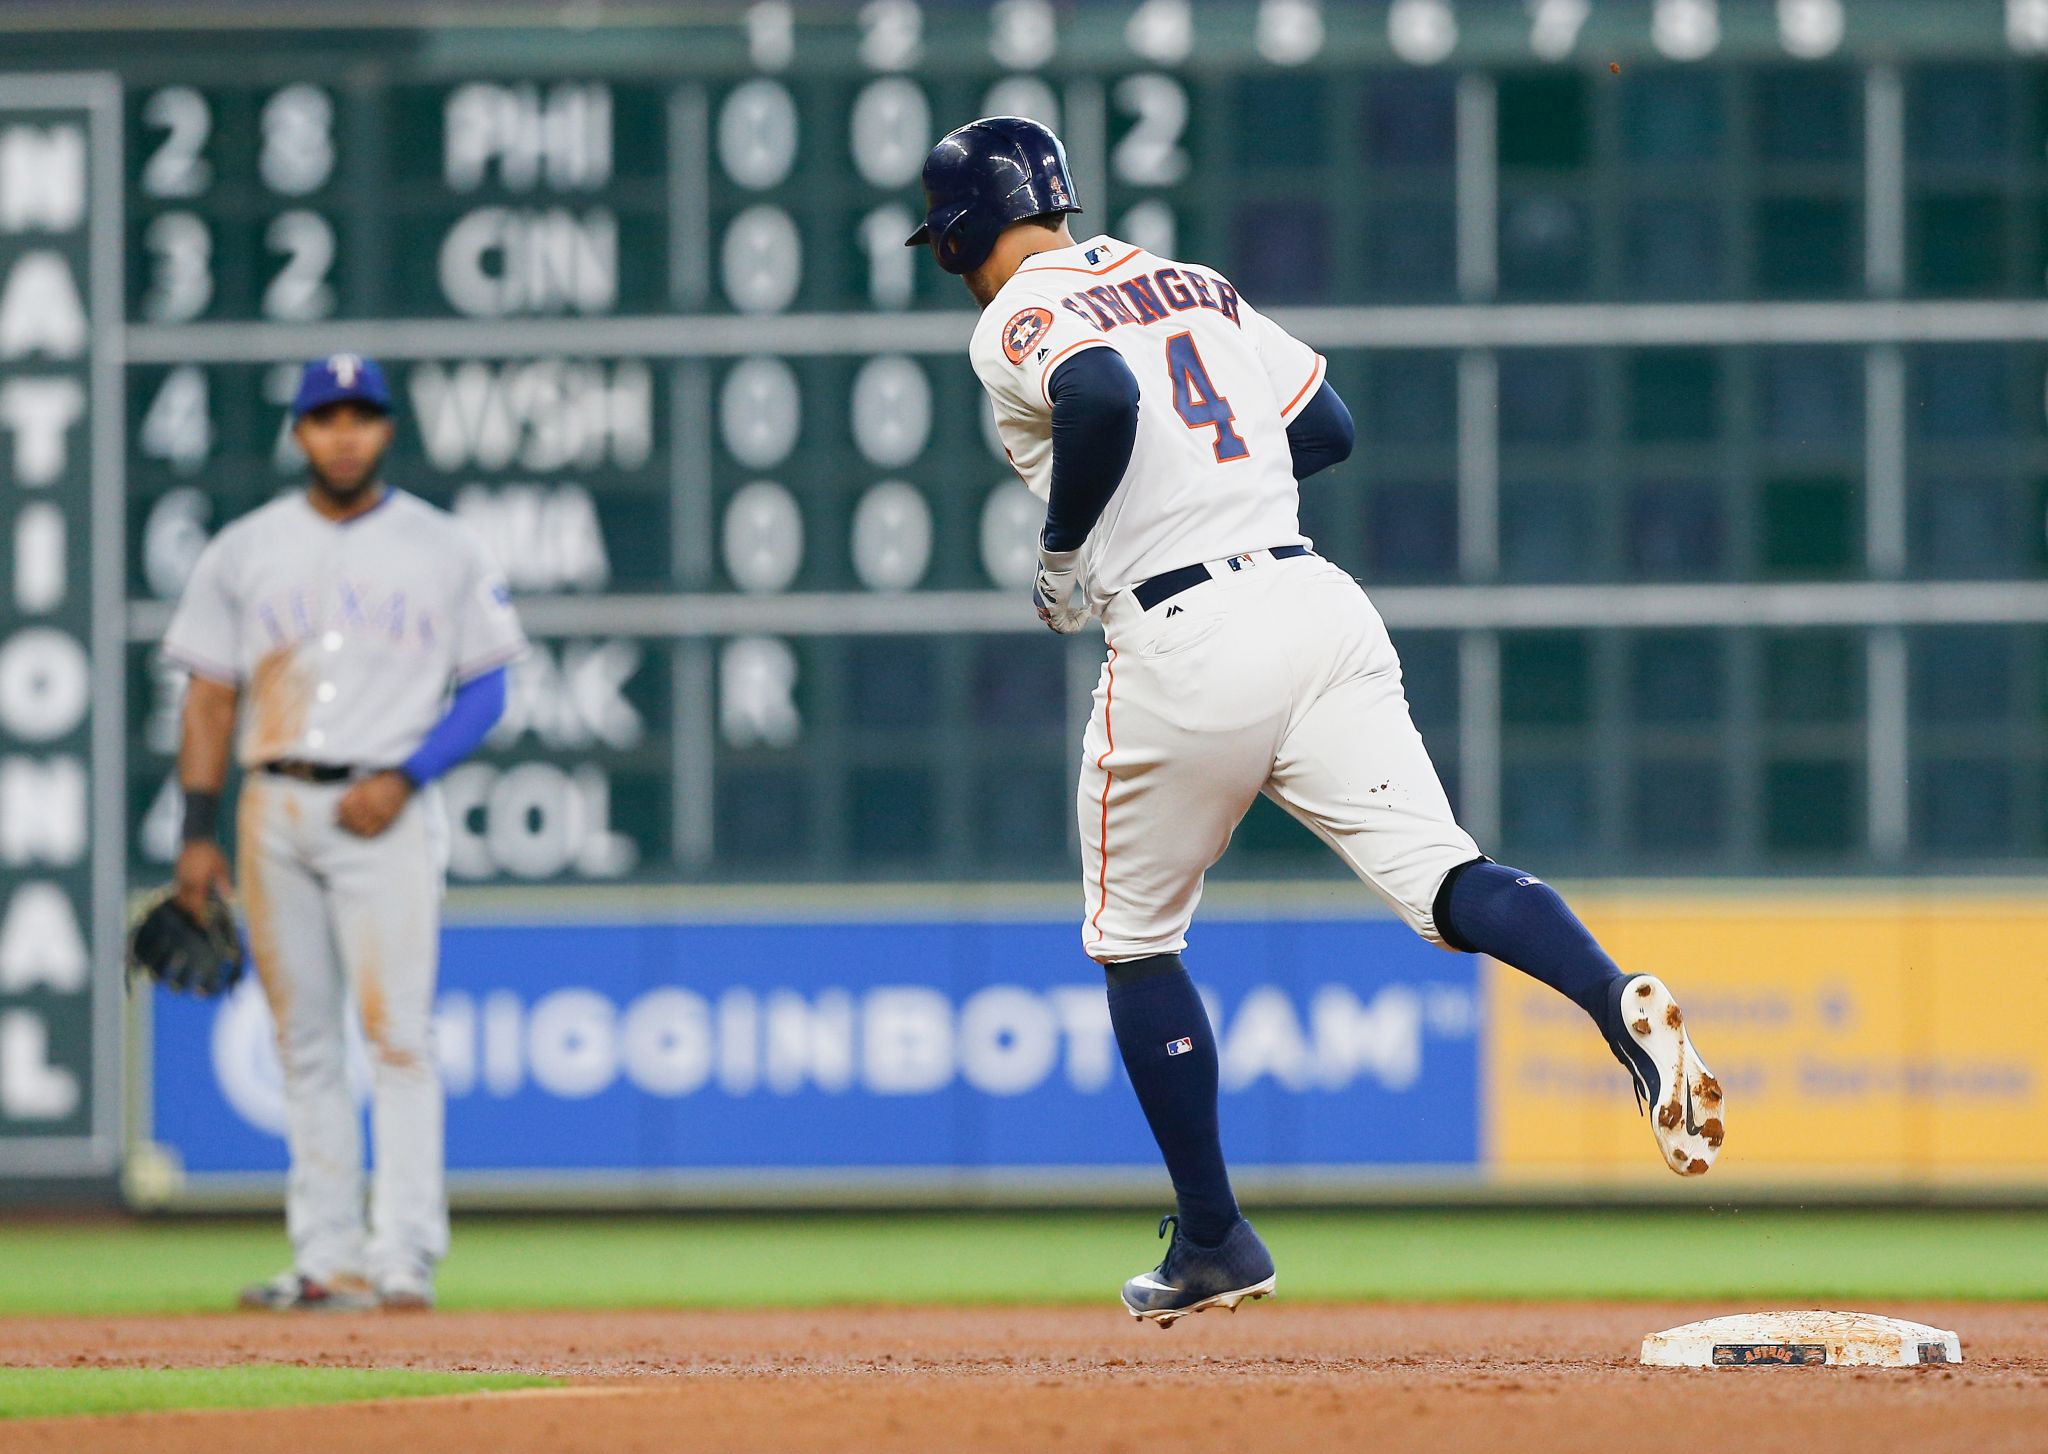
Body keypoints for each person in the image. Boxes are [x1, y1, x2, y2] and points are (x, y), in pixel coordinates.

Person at [906, 118, 1725, 1328]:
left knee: (1133, 941)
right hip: (1314, 596)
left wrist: (1066, 549)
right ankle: (1614, 1002)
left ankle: (1214, 1235)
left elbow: (1096, 389)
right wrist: (1218, 482)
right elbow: (1326, 425)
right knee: (1449, 875)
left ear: (959, 233)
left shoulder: (1009, 312)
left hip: (1183, 633)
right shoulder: (1195, 281)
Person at [161, 355, 527, 1310]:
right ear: (301, 434)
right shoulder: (242, 550)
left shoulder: (444, 547)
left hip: (386, 808)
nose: (346, 432)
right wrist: (196, 832)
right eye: (328, 417)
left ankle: (403, 1256)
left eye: (363, 415)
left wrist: (409, 775)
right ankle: (325, 1259)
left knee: (397, 1036)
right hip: (269, 805)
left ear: (387, 430)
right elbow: (208, 697)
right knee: (304, 1041)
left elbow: (488, 687)